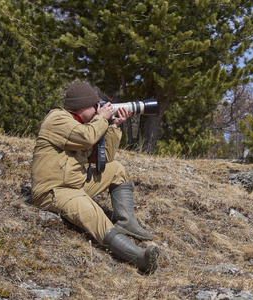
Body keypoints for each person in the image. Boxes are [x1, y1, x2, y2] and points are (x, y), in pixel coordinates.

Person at [31, 82, 159, 275]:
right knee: (94, 212)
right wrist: (101, 120)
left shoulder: (83, 125)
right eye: (95, 106)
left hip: (76, 184)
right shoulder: (57, 119)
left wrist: (114, 126)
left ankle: (127, 222)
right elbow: (87, 138)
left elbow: (104, 158)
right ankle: (139, 259)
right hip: (53, 190)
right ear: (83, 106)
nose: (98, 109)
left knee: (116, 169)